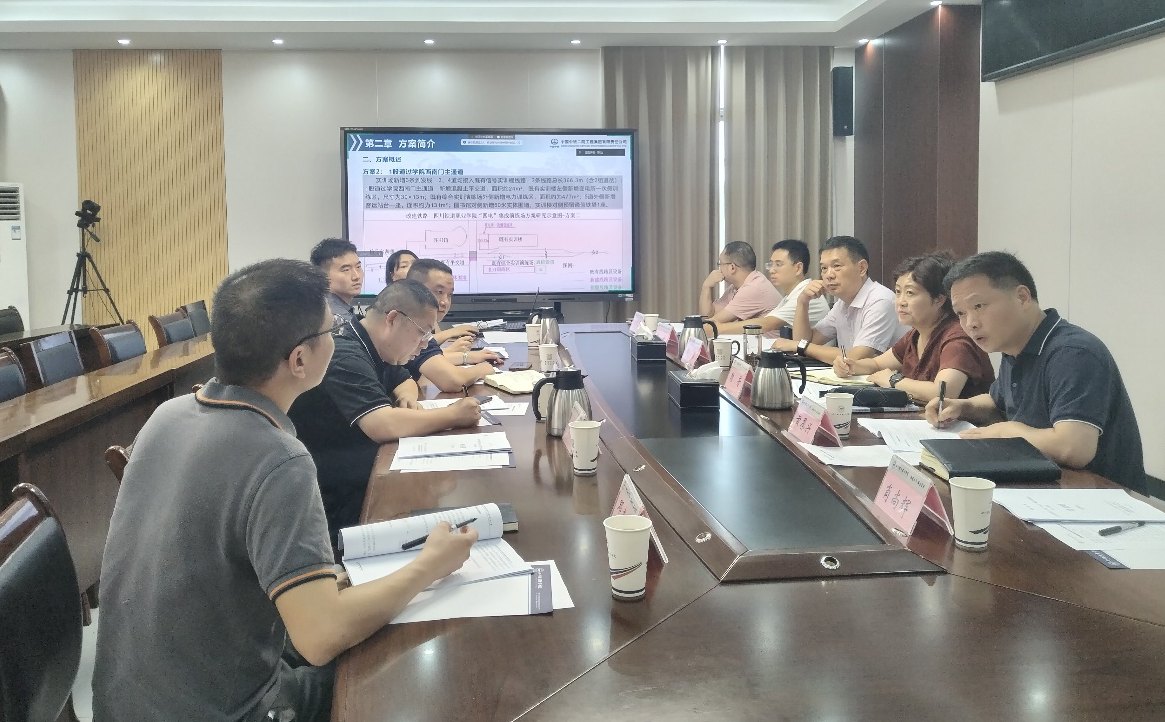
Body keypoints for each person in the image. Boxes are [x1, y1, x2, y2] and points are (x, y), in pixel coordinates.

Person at [93, 260, 477, 722]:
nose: (340, 336)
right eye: (333, 329)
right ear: (299, 360)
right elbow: (322, 636)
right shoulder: (279, 458)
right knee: (406, 671)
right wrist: (430, 565)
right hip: (232, 710)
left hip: (129, 704)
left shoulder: (167, 415)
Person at [926, 251, 1146, 494]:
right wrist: (962, 406)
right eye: (961, 313)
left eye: (979, 306)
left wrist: (1007, 431)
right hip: (1044, 483)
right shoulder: (1015, 346)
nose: (970, 323)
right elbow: (998, 401)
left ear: (1022, 297)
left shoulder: (1073, 352)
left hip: (1102, 498)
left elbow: (1074, 448)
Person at [288, 279, 481, 536]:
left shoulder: (375, 344)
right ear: (393, 319)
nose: (425, 344)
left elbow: (404, 380)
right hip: (334, 499)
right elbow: (382, 425)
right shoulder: (344, 352)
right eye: (423, 333)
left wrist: (406, 399)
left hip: (363, 471)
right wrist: (454, 415)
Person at [832, 252, 993, 402]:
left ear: (939, 299)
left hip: (962, 423)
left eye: (910, 293)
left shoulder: (957, 336)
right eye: (898, 292)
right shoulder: (916, 334)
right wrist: (851, 366)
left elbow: (943, 392)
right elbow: (877, 364)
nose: (900, 302)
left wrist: (893, 380)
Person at [770, 235, 908, 363]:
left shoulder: (880, 300)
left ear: (862, 268)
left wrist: (799, 346)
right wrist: (802, 302)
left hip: (892, 379)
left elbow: (856, 358)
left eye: (836, 266)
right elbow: (806, 341)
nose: (829, 275)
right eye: (824, 268)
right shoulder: (842, 304)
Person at [403, 258, 502, 391]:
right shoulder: (410, 326)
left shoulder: (420, 325)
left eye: (449, 294)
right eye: (439, 292)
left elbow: (431, 359)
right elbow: (453, 381)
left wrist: (468, 358)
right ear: (414, 291)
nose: (445, 302)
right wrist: (483, 369)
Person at [711, 239, 830, 337]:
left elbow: (767, 324)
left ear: (798, 268)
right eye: (771, 264)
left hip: (814, 358)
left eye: (778, 264)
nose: (772, 270)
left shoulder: (808, 294)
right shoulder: (791, 295)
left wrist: (718, 328)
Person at [697, 240, 781, 325]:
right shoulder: (735, 287)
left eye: (720, 264)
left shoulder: (753, 288)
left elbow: (711, 324)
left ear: (732, 267)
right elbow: (707, 316)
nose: (719, 268)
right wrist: (706, 286)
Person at [310, 237, 364, 322]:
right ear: (322, 275)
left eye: (358, 267)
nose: (356, 276)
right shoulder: (336, 318)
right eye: (346, 270)